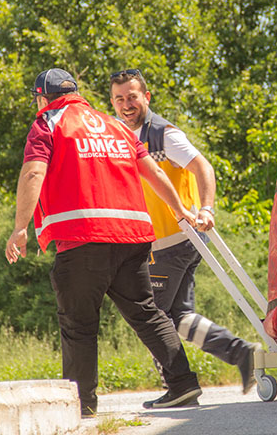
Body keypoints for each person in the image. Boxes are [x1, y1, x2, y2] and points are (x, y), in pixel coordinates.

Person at [5, 68, 203, 416]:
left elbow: (34, 171)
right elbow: (152, 172)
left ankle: (83, 407)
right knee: (148, 314)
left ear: (42, 98)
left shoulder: (48, 123)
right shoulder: (114, 125)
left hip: (83, 239)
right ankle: (183, 384)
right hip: (132, 237)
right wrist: (180, 210)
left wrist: (21, 227)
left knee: (78, 325)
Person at [109, 69, 259, 394]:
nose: (126, 104)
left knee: (152, 315)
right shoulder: (120, 134)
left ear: (146, 97)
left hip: (174, 239)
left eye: (132, 96)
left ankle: (178, 387)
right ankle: (241, 353)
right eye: (119, 98)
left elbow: (203, 166)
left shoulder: (163, 133)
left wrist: (206, 208)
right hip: (163, 241)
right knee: (179, 316)